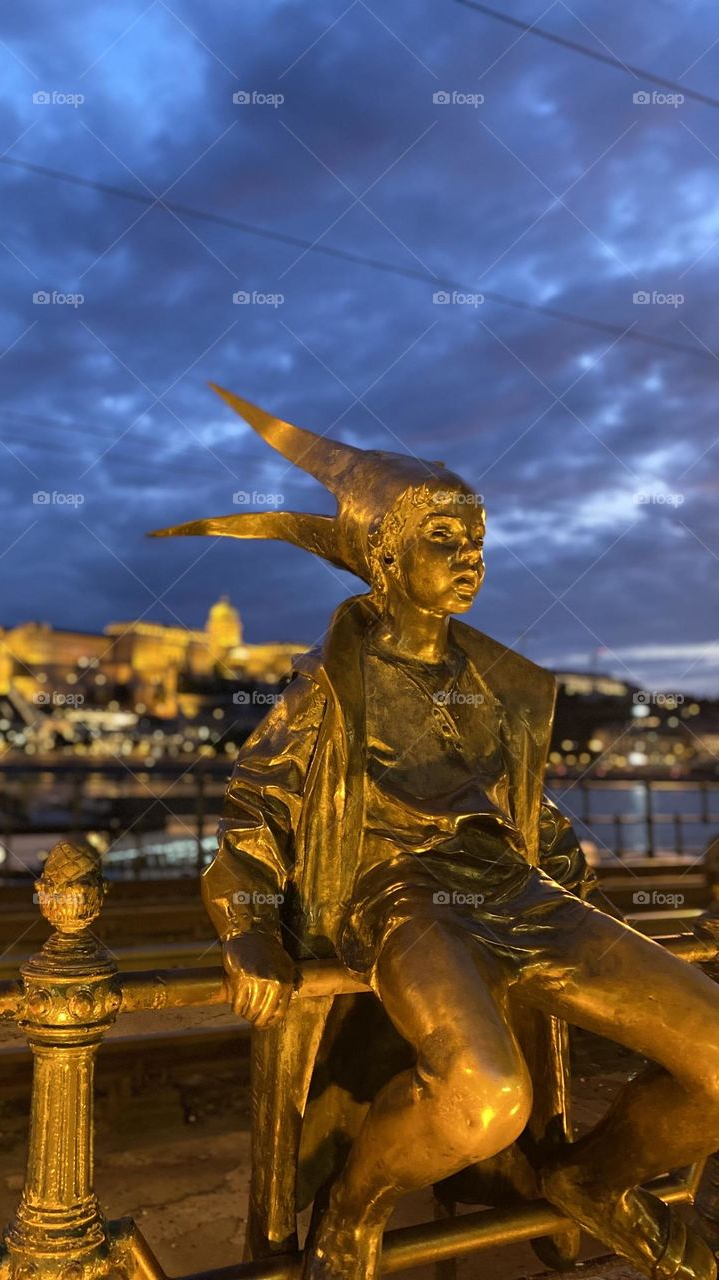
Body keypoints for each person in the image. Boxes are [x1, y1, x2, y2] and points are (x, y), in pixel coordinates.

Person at [151, 385, 719, 1280]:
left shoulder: (494, 686)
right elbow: (255, 812)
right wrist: (247, 929)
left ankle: (593, 1182)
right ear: (384, 555)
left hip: (521, 896)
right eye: (443, 540)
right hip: (403, 900)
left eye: (477, 540)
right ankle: (351, 1213)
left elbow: (525, 812)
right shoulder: (329, 686)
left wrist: (577, 878)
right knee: (485, 1096)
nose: (471, 559)